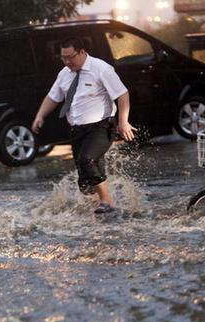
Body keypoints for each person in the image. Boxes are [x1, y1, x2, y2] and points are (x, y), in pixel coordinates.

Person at [32, 37, 136, 214]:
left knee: (86, 159)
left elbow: (123, 94)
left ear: (82, 52)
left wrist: (123, 122)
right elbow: (53, 97)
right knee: (85, 181)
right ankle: (99, 206)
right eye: (63, 58)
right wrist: (40, 116)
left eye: (70, 57)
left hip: (102, 127)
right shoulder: (64, 73)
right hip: (77, 130)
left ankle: (107, 201)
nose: (67, 62)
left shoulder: (101, 69)